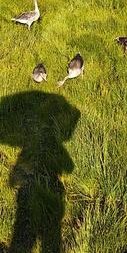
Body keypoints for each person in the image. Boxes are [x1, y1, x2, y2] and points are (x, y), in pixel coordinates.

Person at [0, 91, 80, 253]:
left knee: (24, 231)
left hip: (30, 195)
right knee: (47, 232)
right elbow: (69, 167)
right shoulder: (53, 148)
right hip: (47, 197)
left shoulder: (28, 150)